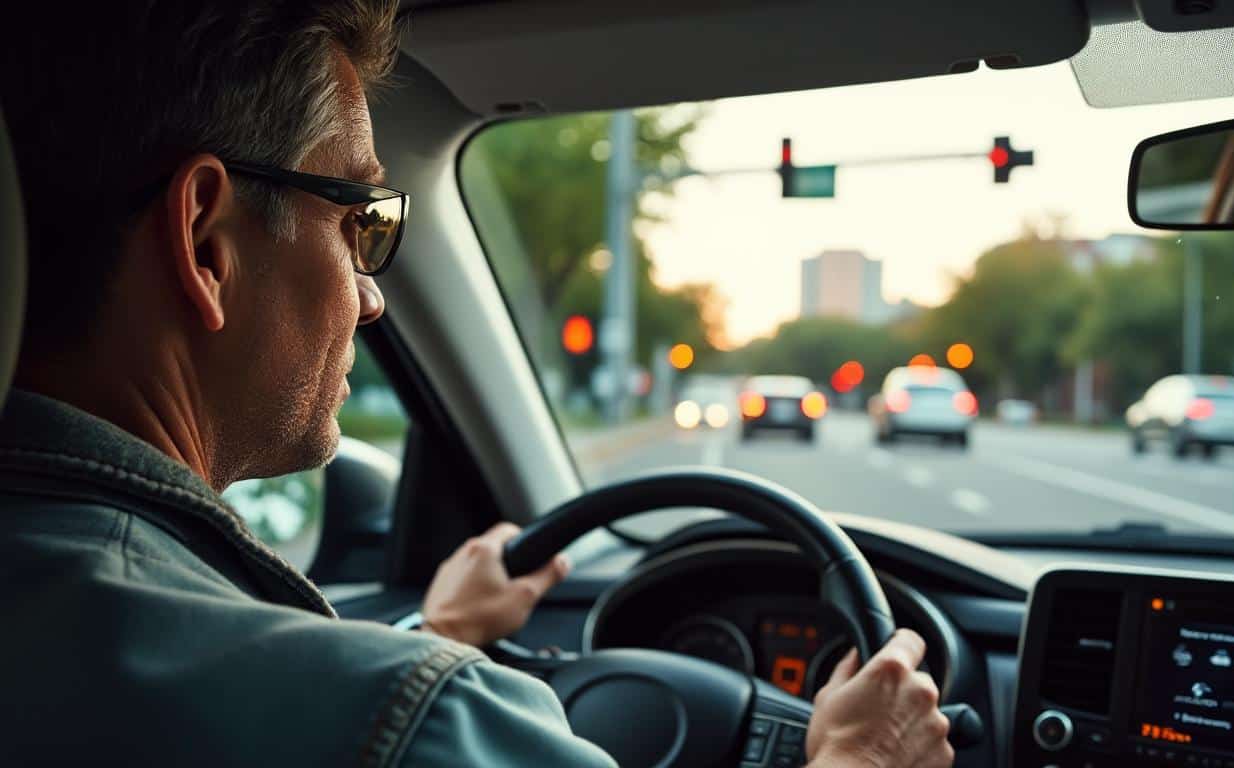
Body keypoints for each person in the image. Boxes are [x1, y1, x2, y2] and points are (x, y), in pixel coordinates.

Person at [0, 2, 954, 766]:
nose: (372, 300)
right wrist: (861, 756)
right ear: (208, 245)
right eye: (361, 221)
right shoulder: (418, 720)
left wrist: (439, 628)